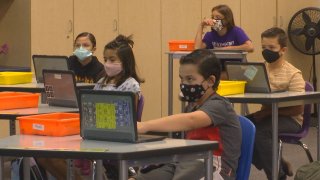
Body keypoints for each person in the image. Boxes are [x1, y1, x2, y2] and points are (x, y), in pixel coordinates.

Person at [37, 34, 144, 180]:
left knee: (53, 157)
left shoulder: (131, 85)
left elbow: (128, 120)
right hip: (93, 133)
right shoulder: (101, 82)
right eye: (105, 59)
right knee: (44, 156)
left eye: (112, 60)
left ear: (125, 62)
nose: (107, 63)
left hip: (112, 138)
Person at [131, 49, 242, 180]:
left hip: (213, 166)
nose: (184, 84)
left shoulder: (219, 105)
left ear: (210, 81)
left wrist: (145, 126)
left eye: (190, 79)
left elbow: (191, 120)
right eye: (181, 79)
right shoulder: (192, 106)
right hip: (185, 161)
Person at [246, 27, 305, 180]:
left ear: (283, 50)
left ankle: (277, 176)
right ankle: (279, 163)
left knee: (259, 132)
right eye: (264, 47)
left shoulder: (294, 74)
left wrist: (267, 113)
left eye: (271, 48)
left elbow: (298, 108)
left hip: (290, 120)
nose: (266, 51)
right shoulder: (257, 68)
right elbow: (243, 82)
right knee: (239, 128)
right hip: (265, 116)